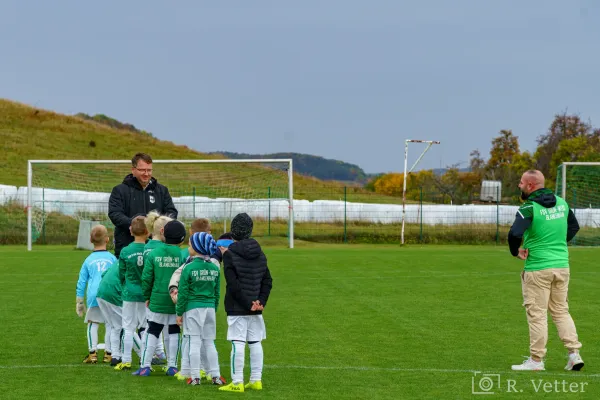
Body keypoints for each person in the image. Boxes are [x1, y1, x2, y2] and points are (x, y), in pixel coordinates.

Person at [508, 170, 583, 371]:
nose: (519, 185)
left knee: (537, 314)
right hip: (562, 265)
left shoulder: (529, 207)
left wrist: (516, 251)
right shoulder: (562, 203)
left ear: (531, 186)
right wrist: (556, 243)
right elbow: (574, 226)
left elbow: (515, 233)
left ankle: (536, 360)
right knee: (561, 311)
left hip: (538, 267)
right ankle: (574, 354)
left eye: (522, 182)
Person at [218, 213, 273, 393]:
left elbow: (233, 285)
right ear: (250, 230)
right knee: (255, 342)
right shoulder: (260, 252)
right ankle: (256, 380)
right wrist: (260, 302)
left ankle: (237, 382)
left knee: (238, 342)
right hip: (256, 307)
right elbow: (268, 280)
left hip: (238, 307)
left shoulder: (230, 254)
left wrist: (247, 303)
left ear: (232, 232)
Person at [134, 220, 187, 377]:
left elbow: (146, 278)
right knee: (173, 331)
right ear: (182, 239)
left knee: (152, 331)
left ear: (162, 232)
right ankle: (172, 366)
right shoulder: (183, 255)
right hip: (175, 301)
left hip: (156, 300)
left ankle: (145, 366)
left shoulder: (154, 254)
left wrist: (147, 297)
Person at [176, 232, 225, 386]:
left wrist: (179, 312)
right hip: (209, 308)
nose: (188, 247)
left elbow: (183, 293)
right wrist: (214, 307)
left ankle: (195, 376)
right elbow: (217, 292)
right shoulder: (214, 268)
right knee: (209, 342)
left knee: (194, 342)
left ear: (197, 248)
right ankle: (215, 375)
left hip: (192, 309)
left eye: (190, 244)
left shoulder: (188, 268)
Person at [108, 152, 178, 258]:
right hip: (127, 248)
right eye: (142, 170)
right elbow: (115, 214)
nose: (146, 173)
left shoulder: (162, 190)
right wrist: (136, 226)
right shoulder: (119, 190)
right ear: (133, 170)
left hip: (157, 250)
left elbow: (172, 213)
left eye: (149, 170)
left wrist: (156, 227)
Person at [76, 225, 117, 364]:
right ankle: (109, 354)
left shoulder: (88, 260)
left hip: (94, 294)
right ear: (107, 239)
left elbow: (81, 281)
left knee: (92, 323)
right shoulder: (112, 259)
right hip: (109, 294)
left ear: (90, 240)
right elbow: (118, 277)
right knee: (110, 324)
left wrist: (79, 301)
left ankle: (92, 354)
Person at [114, 216, 149, 371]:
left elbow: (121, 273)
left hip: (129, 293)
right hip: (146, 295)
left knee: (128, 328)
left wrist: (125, 286)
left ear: (130, 230)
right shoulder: (150, 250)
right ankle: (144, 361)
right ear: (148, 231)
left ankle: (126, 360)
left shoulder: (126, 250)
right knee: (146, 328)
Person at [96, 254, 124, 367]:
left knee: (116, 326)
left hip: (101, 293)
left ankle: (116, 357)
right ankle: (144, 356)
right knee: (128, 326)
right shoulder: (132, 264)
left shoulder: (117, 262)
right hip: (113, 294)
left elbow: (103, 274)